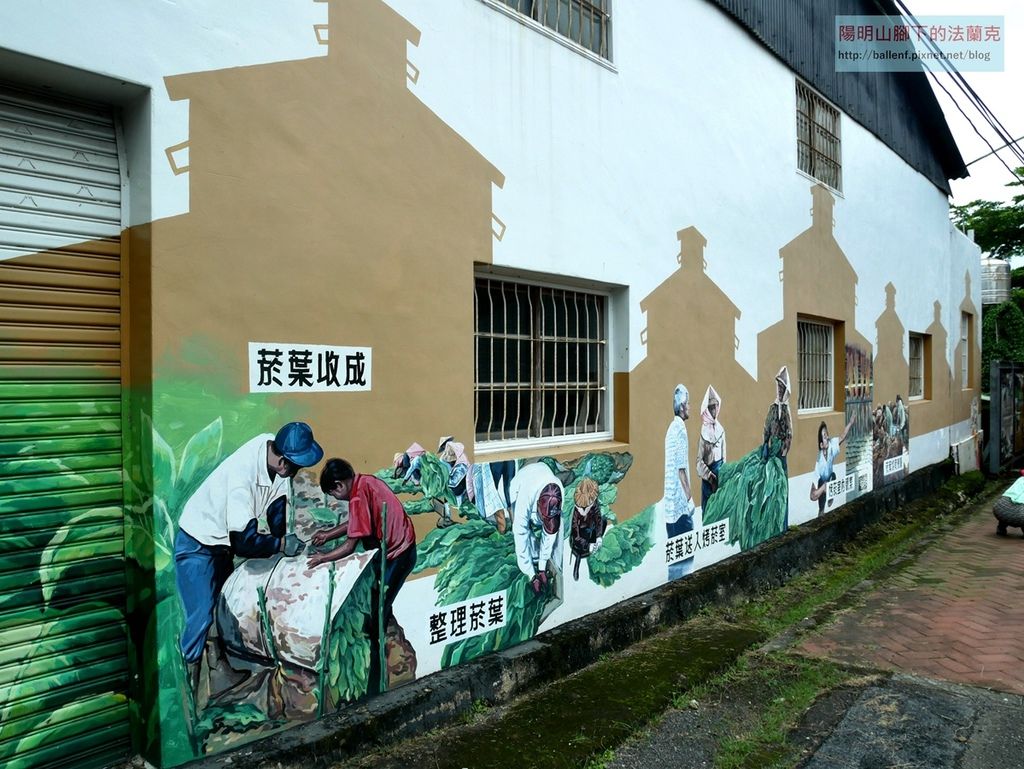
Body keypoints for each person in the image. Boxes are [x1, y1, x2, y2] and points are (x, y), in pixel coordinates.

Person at [174, 421, 321, 703]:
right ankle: (188, 694)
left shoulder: (274, 452)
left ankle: (220, 674)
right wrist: (280, 545)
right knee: (201, 615)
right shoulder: (242, 479)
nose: (297, 473)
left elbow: (277, 509)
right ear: (282, 461)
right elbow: (244, 542)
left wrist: (284, 540)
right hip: (197, 542)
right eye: (295, 467)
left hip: (220, 544)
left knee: (221, 607)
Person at [309, 457, 418, 694]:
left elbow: (350, 546)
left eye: (333, 493)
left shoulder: (358, 495)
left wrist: (323, 558)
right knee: (377, 598)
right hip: (400, 545)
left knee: (376, 617)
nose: (336, 498)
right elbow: (358, 522)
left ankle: (375, 680)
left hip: (398, 554)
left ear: (339, 485)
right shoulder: (365, 482)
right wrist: (328, 534)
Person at [702, 367, 791, 552]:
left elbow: (789, 435)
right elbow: (766, 429)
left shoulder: (786, 411)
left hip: (779, 458)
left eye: (782, 387)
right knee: (747, 478)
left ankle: (780, 529)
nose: (779, 390)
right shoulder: (772, 408)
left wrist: (781, 451)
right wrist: (766, 445)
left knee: (779, 494)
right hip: (768, 453)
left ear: (786, 389)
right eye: (778, 386)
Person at [509, 461, 564, 596]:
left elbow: (549, 535)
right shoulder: (525, 496)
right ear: (538, 505)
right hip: (519, 487)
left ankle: (542, 564)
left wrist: (542, 567)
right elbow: (520, 534)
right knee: (525, 531)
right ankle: (531, 565)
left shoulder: (559, 491)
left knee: (556, 530)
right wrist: (531, 575)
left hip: (542, 472)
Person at [664, 384, 695, 540]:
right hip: (680, 508)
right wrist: (689, 499)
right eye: (688, 403)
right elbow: (681, 470)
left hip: (669, 510)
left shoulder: (671, 428)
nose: (690, 407)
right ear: (682, 406)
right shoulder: (681, 430)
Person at [809, 418, 855, 512]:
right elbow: (812, 496)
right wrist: (823, 487)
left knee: (833, 475)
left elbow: (842, 436)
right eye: (824, 436)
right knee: (821, 509)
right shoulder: (819, 462)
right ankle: (824, 502)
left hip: (831, 479)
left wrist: (850, 423)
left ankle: (830, 496)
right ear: (821, 445)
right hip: (822, 484)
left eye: (827, 434)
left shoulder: (832, 445)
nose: (827, 437)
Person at [569, 477, 608, 581]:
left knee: (604, 520)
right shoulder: (576, 511)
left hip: (591, 530)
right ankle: (578, 565)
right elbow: (575, 533)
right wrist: (587, 545)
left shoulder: (594, 504)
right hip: (579, 539)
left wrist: (598, 537)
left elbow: (598, 520)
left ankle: (593, 548)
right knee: (579, 544)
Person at [696, 385, 726, 508]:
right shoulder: (704, 432)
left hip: (720, 476)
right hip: (708, 479)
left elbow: (724, 457)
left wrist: (723, 476)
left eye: (716, 406)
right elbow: (699, 462)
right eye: (711, 407)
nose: (714, 410)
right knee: (708, 510)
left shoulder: (721, 430)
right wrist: (710, 477)